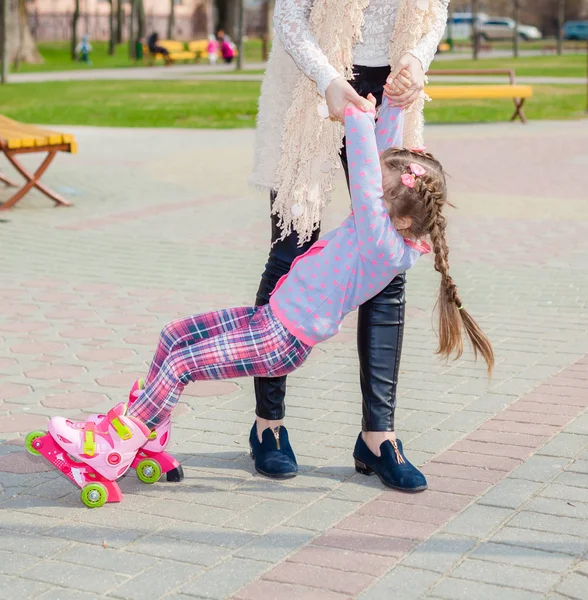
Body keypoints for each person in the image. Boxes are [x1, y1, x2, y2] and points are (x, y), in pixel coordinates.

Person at [45, 98, 494, 494]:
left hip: (280, 342)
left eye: (380, 189)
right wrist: (392, 107)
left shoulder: (382, 244)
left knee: (182, 365)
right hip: (270, 321)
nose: (371, 188)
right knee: (174, 336)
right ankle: (152, 431)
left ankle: (115, 444)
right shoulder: (389, 227)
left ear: (396, 218)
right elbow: (381, 162)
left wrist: (357, 116)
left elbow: (363, 165)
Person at [249, 0, 450, 488]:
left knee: (389, 260)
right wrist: (329, 81)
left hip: (393, 93)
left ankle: (378, 437)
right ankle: (267, 425)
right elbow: (290, 16)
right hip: (314, 86)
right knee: (292, 247)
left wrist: (416, 61)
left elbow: (436, 9)